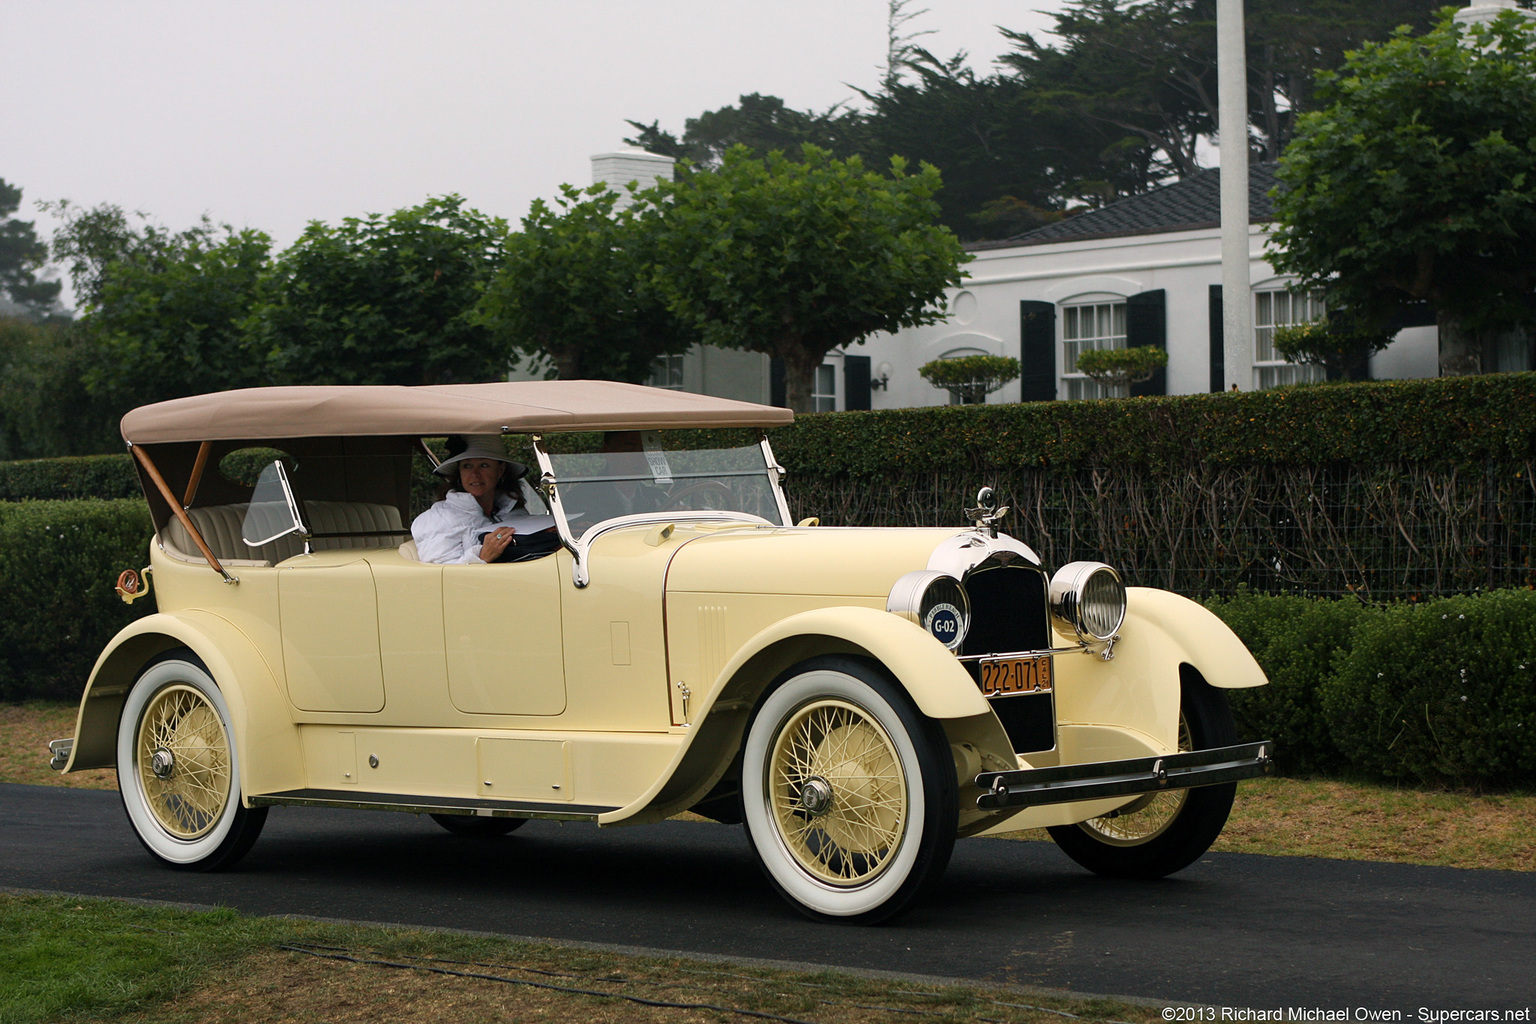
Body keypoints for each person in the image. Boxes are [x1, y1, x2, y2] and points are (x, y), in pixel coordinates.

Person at [412, 435, 541, 564]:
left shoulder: (514, 512)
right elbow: (442, 577)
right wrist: (482, 557)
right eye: (467, 466)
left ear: (500, 470)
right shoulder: (437, 519)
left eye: (484, 465)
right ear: (459, 473)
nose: (475, 474)